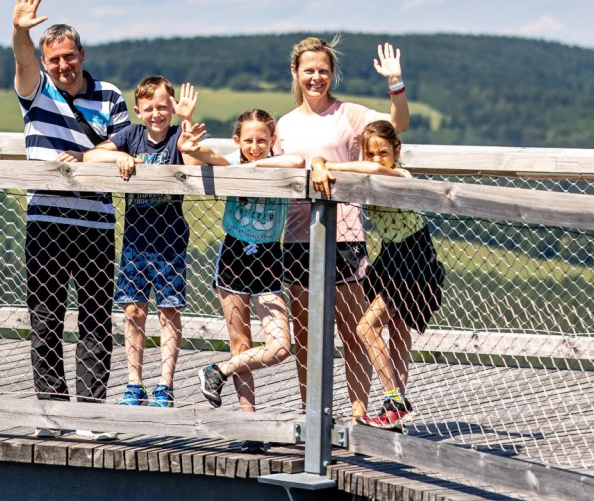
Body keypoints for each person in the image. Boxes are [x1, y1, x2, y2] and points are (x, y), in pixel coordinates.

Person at [12, 0, 129, 440]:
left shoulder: (111, 96)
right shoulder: (36, 91)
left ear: (81, 54)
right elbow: (22, 60)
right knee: (45, 320)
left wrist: (82, 161)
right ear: (45, 62)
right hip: (46, 221)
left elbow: (119, 148)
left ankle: (90, 418)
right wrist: (19, 31)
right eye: (53, 59)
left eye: (68, 57)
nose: (63, 66)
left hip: (96, 223)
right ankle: (54, 416)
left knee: (97, 320)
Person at [275, 36, 410, 421]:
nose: (316, 77)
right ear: (295, 73)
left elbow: (396, 125)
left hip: (346, 233)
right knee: (304, 336)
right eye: (309, 70)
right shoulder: (284, 124)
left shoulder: (348, 115)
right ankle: (312, 412)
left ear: (332, 74)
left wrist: (395, 84)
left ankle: (357, 412)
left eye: (323, 70)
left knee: (353, 332)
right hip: (298, 235)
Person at [312, 120, 445, 428]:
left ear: (396, 151)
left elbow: (382, 172)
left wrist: (330, 163)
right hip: (391, 254)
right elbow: (357, 169)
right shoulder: (368, 173)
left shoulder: (400, 174)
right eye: (369, 154)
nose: (375, 160)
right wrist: (319, 164)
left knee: (366, 327)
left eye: (382, 152)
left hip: (415, 255)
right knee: (397, 329)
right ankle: (395, 410)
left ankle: (394, 399)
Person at [177, 110, 304, 416]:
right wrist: (192, 147)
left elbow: (298, 162)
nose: (255, 146)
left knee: (280, 346)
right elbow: (211, 157)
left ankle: (218, 370)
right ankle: (249, 422)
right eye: (248, 140)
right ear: (237, 140)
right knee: (240, 341)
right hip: (234, 256)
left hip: (270, 259)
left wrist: (257, 166)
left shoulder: (279, 164)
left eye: (263, 140)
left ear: (273, 140)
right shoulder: (233, 162)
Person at [84, 76, 199, 408]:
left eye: (163, 107)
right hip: (136, 238)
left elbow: (191, 162)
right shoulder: (131, 136)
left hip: (171, 238)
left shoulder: (178, 136)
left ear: (173, 108)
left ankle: (165, 383)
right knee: (133, 308)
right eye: (149, 108)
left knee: (168, 309)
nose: (156, 114)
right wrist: (121, 158)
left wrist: (187, 120)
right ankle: (134, 382)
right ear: (138, 110)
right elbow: (92, 157)